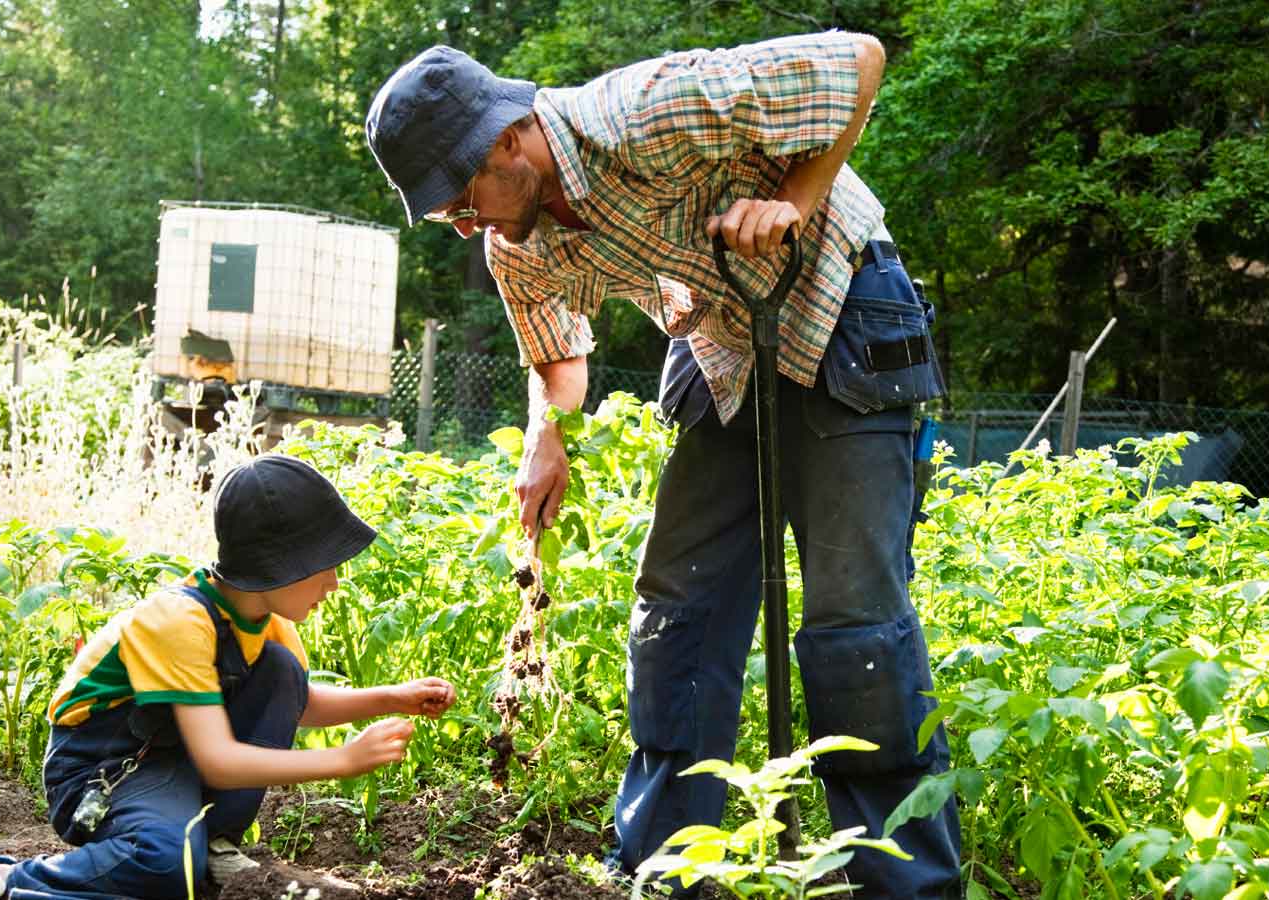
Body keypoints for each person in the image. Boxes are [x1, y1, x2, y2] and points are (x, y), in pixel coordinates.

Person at [365, 32, 962, 898]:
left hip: (840, 300)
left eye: (464, 197)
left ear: (508, 139)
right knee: (677, 608)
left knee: (854, 620)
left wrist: (795, 198)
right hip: (722, 333)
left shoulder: (643, 109)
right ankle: (659, 866)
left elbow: (859, 59)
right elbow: (558, 356)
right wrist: (546, 438)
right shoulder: (515, 243)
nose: (467, 222)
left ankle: (901, 885)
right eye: (448, 213)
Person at [0, 455, 457, 900]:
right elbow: (218, 760)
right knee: (162, 864)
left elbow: (299, 703)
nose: (334, 582)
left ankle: (209, 843)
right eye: (327, 564)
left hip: (172, 756)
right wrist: (342, 761)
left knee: (283, 673)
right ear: (280, 564)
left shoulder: (265, 618)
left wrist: (393, 698)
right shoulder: (180, 618)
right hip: (102, 766)